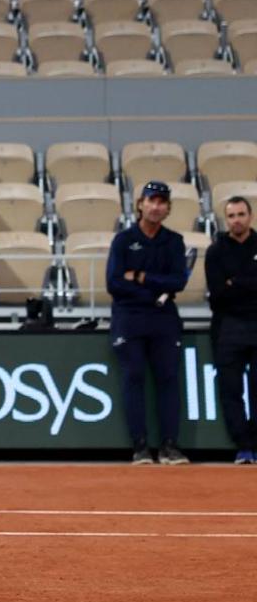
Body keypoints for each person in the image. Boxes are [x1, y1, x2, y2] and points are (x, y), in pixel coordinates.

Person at [106, 179, 191, 465]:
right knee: (134, 378)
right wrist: (154, 290)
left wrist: (141, 277)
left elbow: (178, 281)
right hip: (129, 319)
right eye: (150, 200)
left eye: (161, 202)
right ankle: (140, 446)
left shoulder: (174, 241)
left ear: (168, 208)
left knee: (168, 379)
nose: (155, 207)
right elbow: (115, 283)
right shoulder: (123, 240)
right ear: (140, 204)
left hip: (163, 319)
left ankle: (170, 445)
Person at [205, 195, 257, 464]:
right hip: (227, 328)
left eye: (241, 214)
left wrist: (233, 282)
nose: (237, 220)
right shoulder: (216, 251)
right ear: (226, 220)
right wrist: (248, 282)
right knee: (230, 390)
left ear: (250, 216)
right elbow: (216, 296)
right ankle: (244, 446)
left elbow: (228, 289)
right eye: (232, 216)